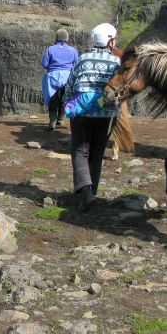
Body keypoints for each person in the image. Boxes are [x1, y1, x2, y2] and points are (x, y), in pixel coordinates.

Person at [62, 23, 121, 210]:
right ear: (110, 42)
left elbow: (70, 86)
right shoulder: (116, 63)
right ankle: (91, 192)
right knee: (97, 152)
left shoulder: (81, 59)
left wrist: (69, 105)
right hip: (106, 114)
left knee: (80, 150)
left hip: (81, 112)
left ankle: (86, 193)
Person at [41, 28, 79, 131]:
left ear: (56, 37)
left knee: (53, 98)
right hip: (67, 77)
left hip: (52, 78)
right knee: (64, 98)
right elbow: (77, 64)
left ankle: (52, 121)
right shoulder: (73, 50)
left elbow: (44, 64)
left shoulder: (51, 49)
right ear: (66, 38)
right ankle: (60, 119)